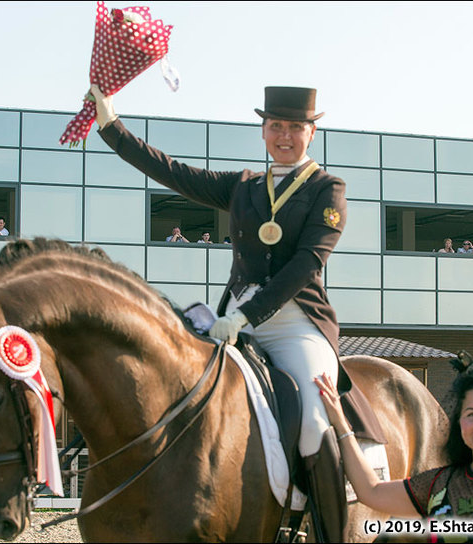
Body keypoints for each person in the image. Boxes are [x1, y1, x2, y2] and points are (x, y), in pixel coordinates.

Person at [91, 84, 348, 542]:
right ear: (264, 131)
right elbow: (173, 172)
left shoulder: (328, 189)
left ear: (311, 132)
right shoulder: (244, 187)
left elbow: (307, 264)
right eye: (275, 127)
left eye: (294, 127)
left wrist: (247, 315)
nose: (283, 136)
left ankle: (330, 531)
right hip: (235, 326)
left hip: (295, 326)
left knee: (312, 420)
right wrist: (112, 126)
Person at [316, 355, 473, 543]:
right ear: (460, 422)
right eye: (471, 413)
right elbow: (370, 491)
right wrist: (342, 424)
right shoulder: (439, 484)